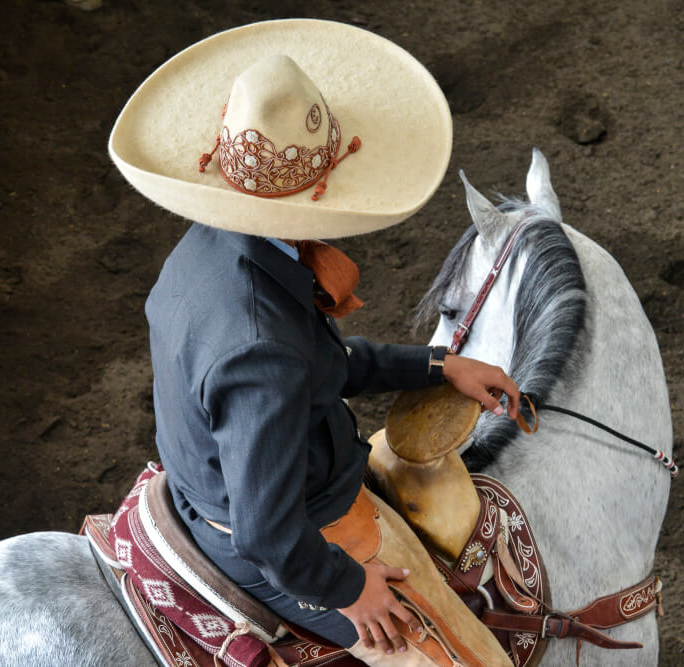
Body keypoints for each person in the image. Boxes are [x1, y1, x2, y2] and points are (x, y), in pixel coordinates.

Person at [109, 20, 519, 663]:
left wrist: (440, 365)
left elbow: (321, 366)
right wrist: (348, 588)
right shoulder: (259, 346)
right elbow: (269, 533)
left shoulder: (213, 246)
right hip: (283, 539)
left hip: (209, 484)